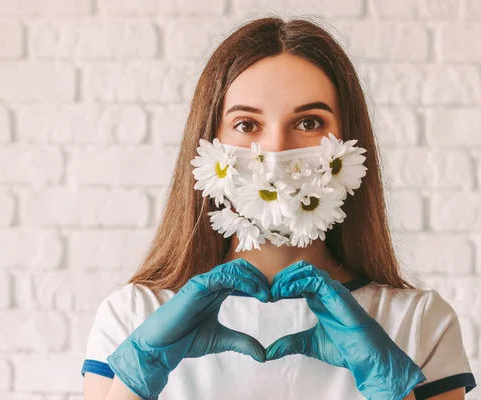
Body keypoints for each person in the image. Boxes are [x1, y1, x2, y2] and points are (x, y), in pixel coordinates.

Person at [81, 16, 477, 400]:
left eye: (308, 123)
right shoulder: (134, 316)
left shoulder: (419, 323)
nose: (274, 151)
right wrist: (135, 376)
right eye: (247, 125)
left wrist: (390, 386)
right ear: (210, 141)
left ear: (347, 141)